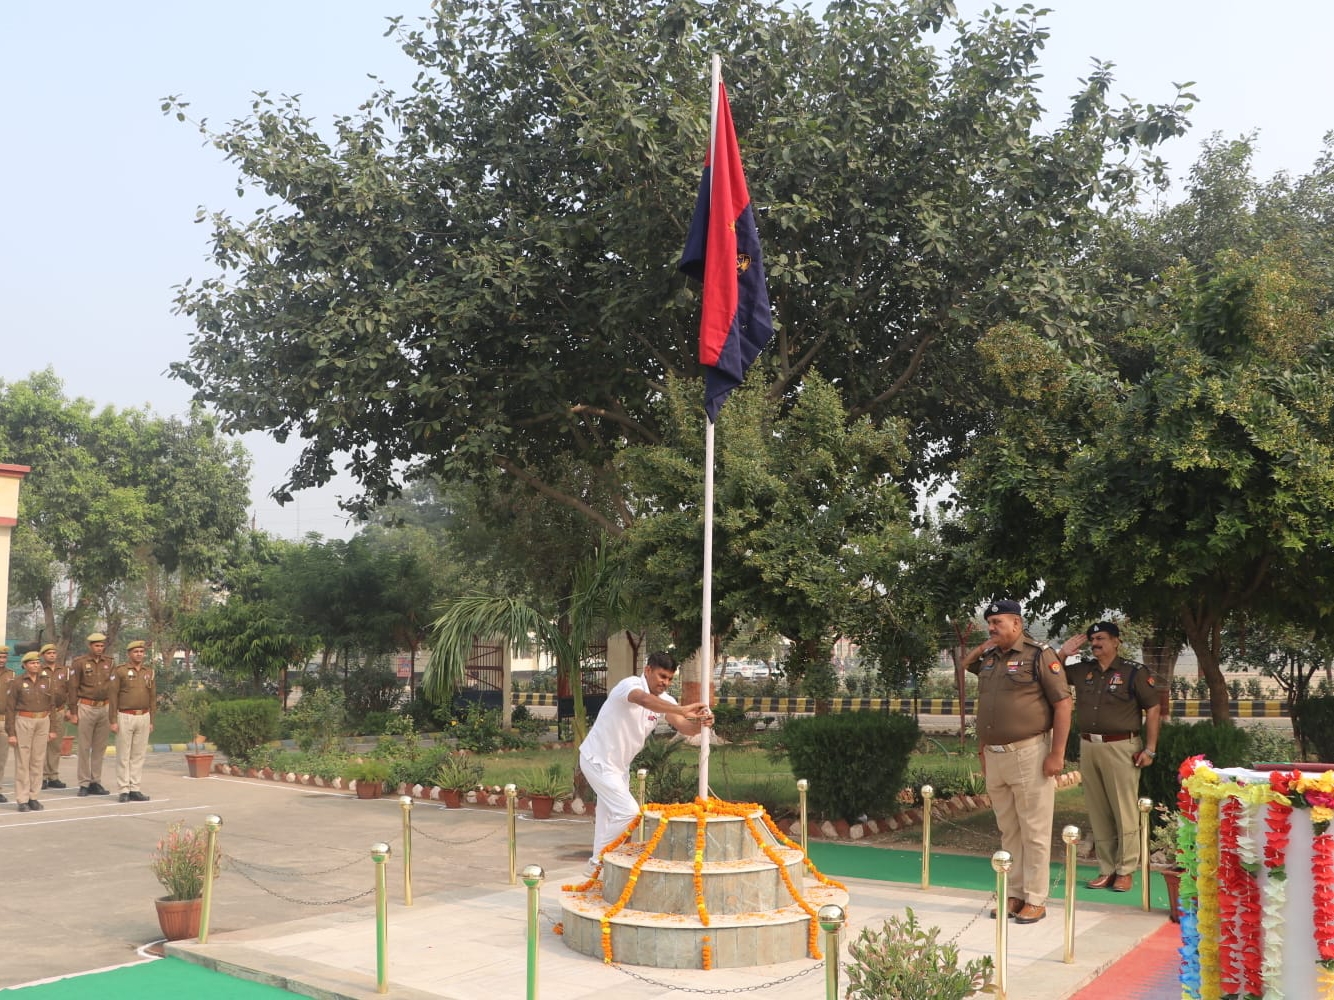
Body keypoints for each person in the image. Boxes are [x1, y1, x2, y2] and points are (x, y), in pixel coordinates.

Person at [962, 599, 1072, 925]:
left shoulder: (1039, 655)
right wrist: (987, 644)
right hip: (995, 756)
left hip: (1029, 754)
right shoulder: (989, 659)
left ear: (1017, 623)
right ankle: (1014, 892)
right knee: (1008, 829)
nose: (992, 627)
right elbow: (965, 665)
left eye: (998, 622)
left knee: (1034, 830)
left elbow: (1063, 704)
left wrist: (1057, 754)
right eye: (989, 623)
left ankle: (1036, 898)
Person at [577, 652, 711, 876]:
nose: (665, 682)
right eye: (661, 676)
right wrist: (681, 709)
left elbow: (685, 728)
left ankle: (600, 874)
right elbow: (643, 699)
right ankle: (596, 863)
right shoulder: (629, 685)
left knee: (608, 819)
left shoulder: (666, 701)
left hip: (619, 768)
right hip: (596, 759)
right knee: (628, 813)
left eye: (669, 678)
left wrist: (702, 724)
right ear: (647, 670)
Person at [1056, 621, 1160, 892]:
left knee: (1124, 810)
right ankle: (1106, 868)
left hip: (1122, 747)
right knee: (1098, 809)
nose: (1095, 643)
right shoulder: (1083, 671)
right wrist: (1063, 653)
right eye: (1092, 639)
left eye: (1101, 638)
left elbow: (1154, 709)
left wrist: (1150, 748)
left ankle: (1126, 869)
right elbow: (1051, 673)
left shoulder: (1133, 672)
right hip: (1090, 746)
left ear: (1116, 641)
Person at [7, 650, 58, 811]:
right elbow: (10, 708)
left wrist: (53, 728)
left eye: (37, 662)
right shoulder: (17, 682)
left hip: (42, 720)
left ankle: (33, 797)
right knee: (23, 761)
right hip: (24, 720)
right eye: (32, 663)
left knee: (37, 760)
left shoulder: (46, 681)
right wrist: (11, 733)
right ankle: (22, 799)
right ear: (25, 665)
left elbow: (52, 705)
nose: (36, 665)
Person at [108, 640, 156, 803]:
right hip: (125, 715)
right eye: (135, 651)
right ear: (129, 653)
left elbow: (152, 697)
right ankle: (123, 789)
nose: (139, 654)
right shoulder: (120, 671)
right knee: (123, 754)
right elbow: (113, 696)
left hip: (143, 716)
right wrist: (113, 720)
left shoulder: (148, 672)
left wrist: (151, 720)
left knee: (138, 755)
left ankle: (135, 788)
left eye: (141, 652)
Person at [69, 631, 115, 796]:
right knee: (84, 746)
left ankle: (96, 781)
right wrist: (73, 711)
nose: (99, 648)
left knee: (99, 747)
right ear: (90, 646)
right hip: (86, 707)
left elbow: (113, 686)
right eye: (96, 645)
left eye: (102, 645)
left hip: (104, 707)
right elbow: (73, 688)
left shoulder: (109, 662)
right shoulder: (80, 662)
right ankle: (83, 783)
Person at [39, 643, 71, 789]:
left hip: (58, 710)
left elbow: (70, 691)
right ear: (43, 656)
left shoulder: (64, 670)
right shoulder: (38, 670)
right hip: (43, 712)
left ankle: (53, 775)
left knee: (56, 744)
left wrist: (70, 709)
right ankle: (41, 776)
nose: (52, 655)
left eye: (53, 653)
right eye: (48, 653)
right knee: (42, 744)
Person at [0, 645, 10, 803]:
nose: (2, 660)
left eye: (4, 657)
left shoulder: (12, 675)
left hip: (4, 720)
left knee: (1, 758)